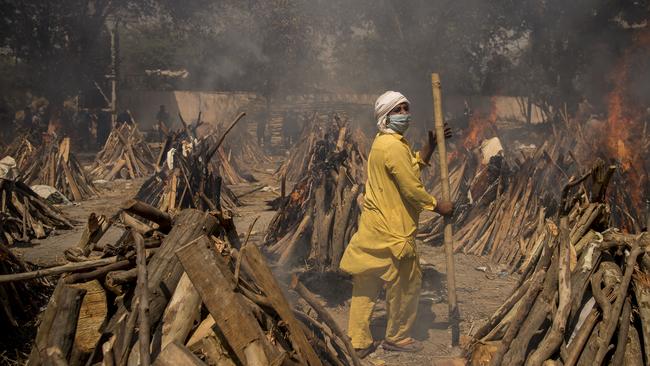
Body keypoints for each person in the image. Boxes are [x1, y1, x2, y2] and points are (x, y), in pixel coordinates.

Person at [340, 91, 453, 358]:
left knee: (366, 283)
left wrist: (431, 145)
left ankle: (358, 340)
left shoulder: (384, 143)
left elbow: (409, 167)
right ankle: (398, 337)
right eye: (399, 110)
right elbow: (411, 186)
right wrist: (439, 206)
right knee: (407, 283)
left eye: (406, 108)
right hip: (394, 232)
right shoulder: (392, 146)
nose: (405, 114)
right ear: (385, 116)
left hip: (373, 227)